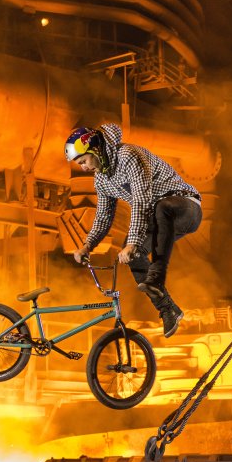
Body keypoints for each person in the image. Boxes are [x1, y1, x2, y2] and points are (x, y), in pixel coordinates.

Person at [65, 123, 202, 337]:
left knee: (160, 209)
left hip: (185, 208)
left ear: (95, 150)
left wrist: (133, 241)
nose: (83, 168)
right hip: (158, 219)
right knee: (134, 256)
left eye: (83, 161)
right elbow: (103, 216)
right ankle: (168, 309)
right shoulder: (102, 179)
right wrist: (87, 245)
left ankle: (156, 277)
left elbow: (141, 199)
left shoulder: (129, 156)